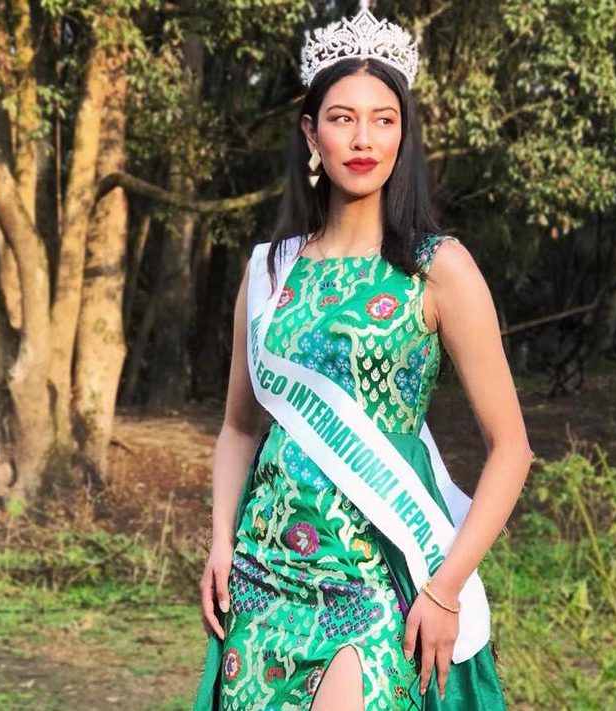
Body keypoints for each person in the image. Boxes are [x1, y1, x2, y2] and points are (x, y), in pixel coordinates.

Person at [193, 6, 532, 710]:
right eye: (342, 118)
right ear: (310, 132)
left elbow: (512, 449)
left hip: (376, 575)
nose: (363, 138)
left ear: (403, 135)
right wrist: (220, 541)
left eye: (383, 119)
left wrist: (445, 588)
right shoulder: (268, 271)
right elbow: (238, 427)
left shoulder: (439, 268)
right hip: (263, 572)